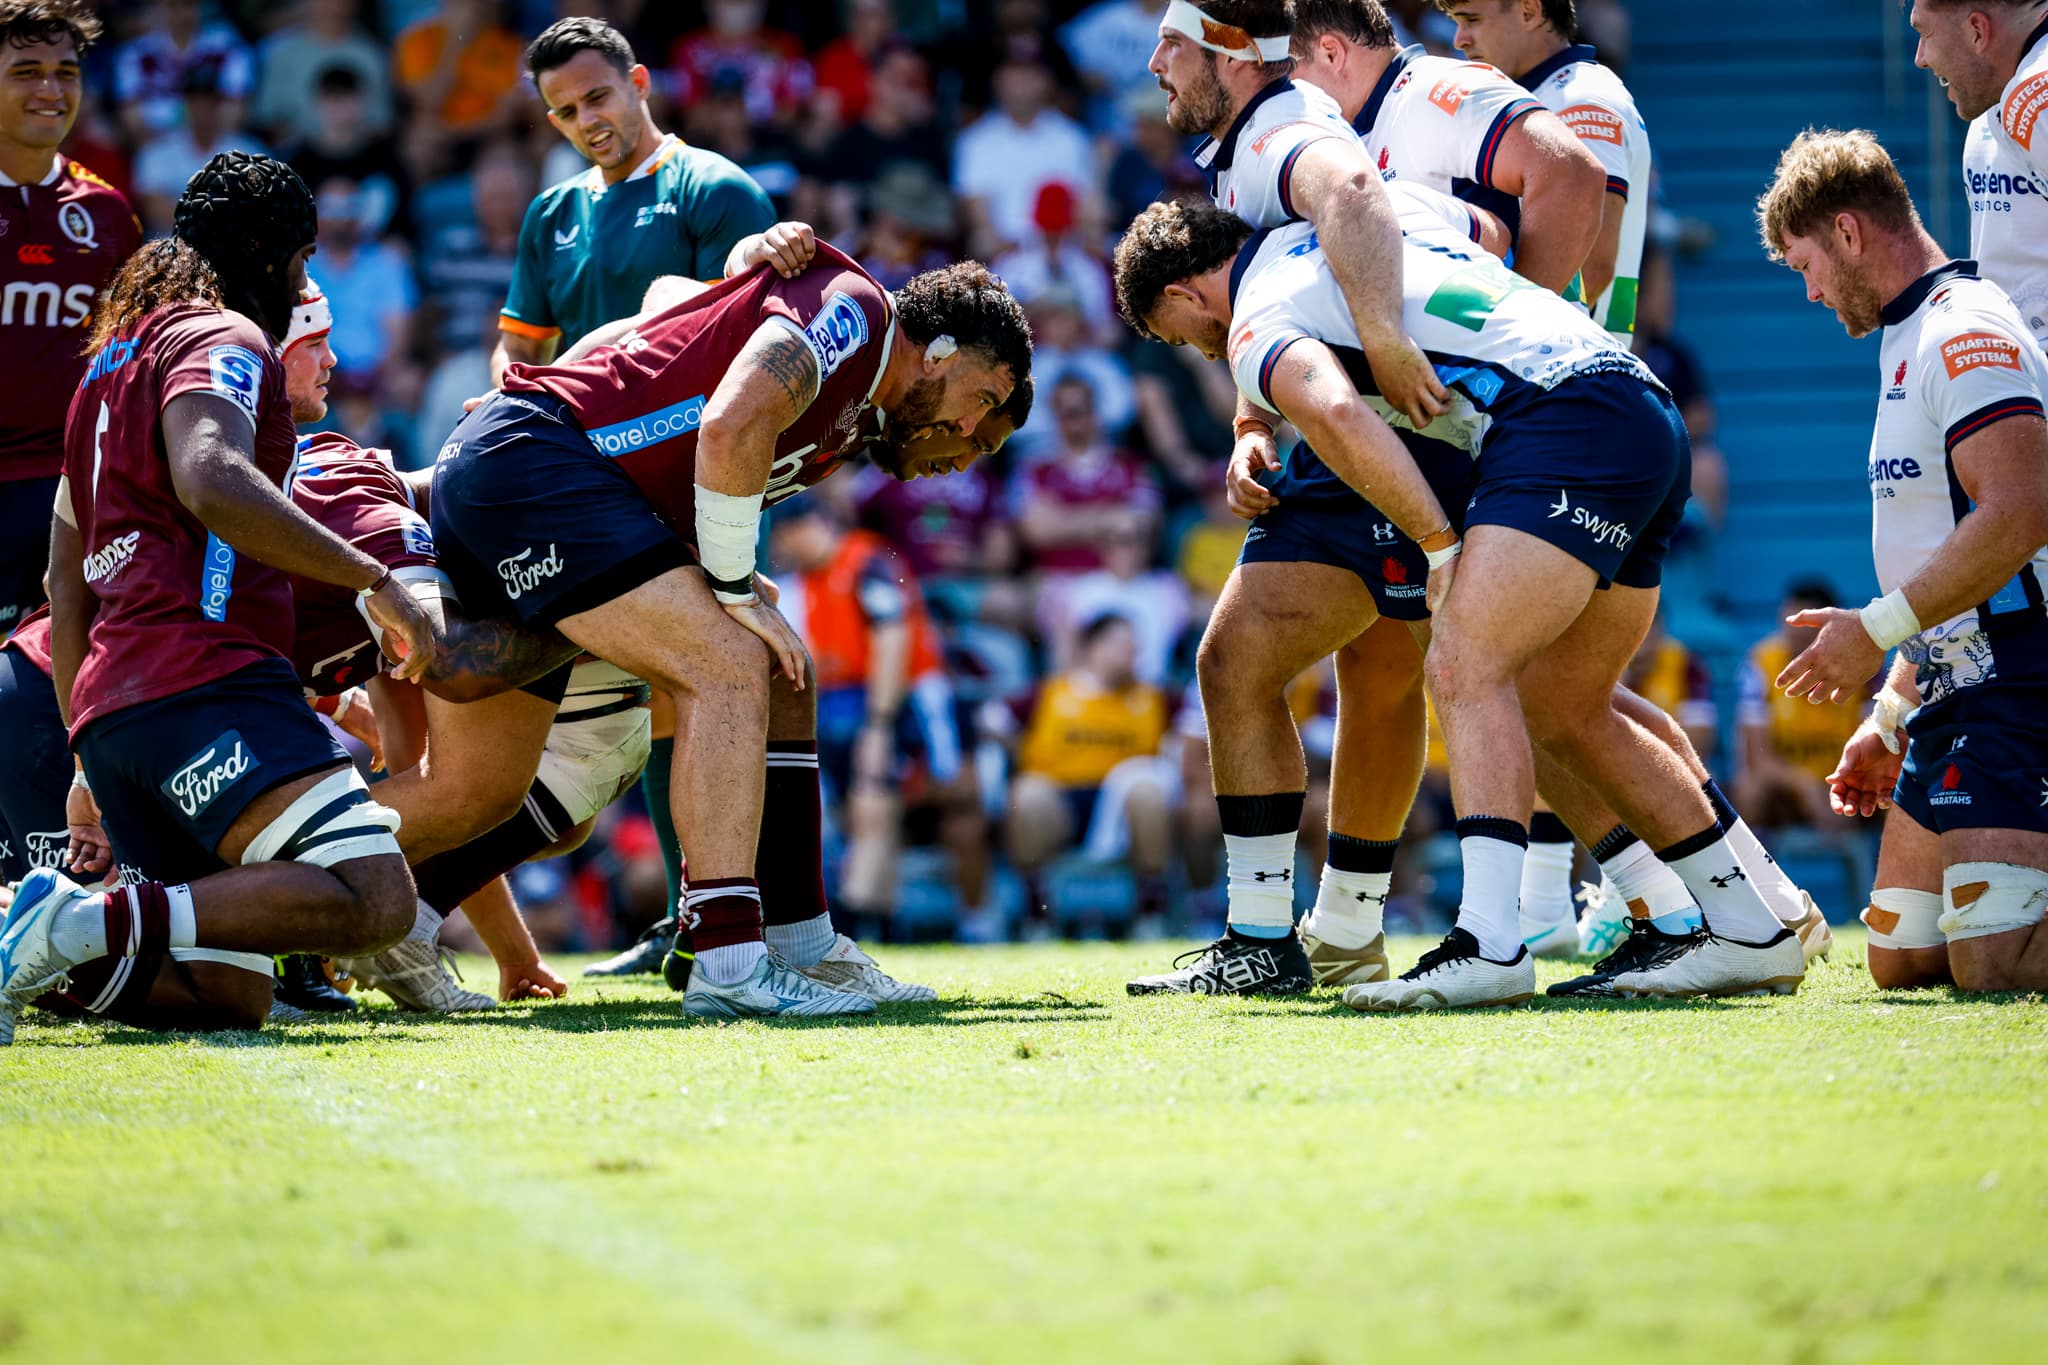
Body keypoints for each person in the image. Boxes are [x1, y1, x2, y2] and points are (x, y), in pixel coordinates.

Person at [1115, 195, 1808, 1008]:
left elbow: (1336, 411)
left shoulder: (1256, 312)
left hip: (1558, 424)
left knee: (1468, 667)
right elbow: (1492, 234)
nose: (1200, 352)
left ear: (1184, 298)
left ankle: (1491, 941)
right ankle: (1748, 923)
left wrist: (1439, 543)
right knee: (1566, 704)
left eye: (1181, 339)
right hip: (1633, 398)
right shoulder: (1376, 215)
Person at [391, 234, 1029, 1020]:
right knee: (731, 657)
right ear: (940, 349)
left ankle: (802, 942)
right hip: (541, 471)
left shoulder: (859, 408)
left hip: (550, 476)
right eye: (985, 404)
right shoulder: (859, 318)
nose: (969, 440)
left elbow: (665, 300)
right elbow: (729, 426)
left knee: (475, 790)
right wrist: (730, 583)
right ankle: (728, 957)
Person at [0, 152, 435, 1044]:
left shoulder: (103, 370)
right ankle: (71, 921)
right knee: (377, 894)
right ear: (271, 254)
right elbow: (211, 475)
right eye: (302, 261)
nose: (304, 282)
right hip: (205, 682)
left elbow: (62, 578)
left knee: (222, 997)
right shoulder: (222, 336)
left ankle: (23, 929)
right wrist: (374, 577)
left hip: (119, 714)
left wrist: (87, 746)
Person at [497, 17, 776, 977]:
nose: (586, 121)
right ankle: (697, 913)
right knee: (653, 700)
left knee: (694, 688)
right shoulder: (551, 214)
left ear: (641, 81)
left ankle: (716, 915)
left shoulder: (713, 188)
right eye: (564, 111)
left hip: (684, 479)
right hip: (574, 487)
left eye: (598, 98)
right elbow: (522, 348)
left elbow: (758, 341)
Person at [1763, 128, 2048, 995]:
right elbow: (1938, 557)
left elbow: (2025, 509)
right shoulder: (1905, 333)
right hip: (1956, 684)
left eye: (1806, 264)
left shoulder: (1964, 329)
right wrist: (1887, 715)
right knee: (1899, 958)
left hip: (2023, 675)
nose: (1809, 292)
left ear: (1849, 233)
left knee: (1993, 964)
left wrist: (1873, 630)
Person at [772, 496, 984, 958]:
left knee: (877, 806)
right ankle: (879, 930)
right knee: (863, 815)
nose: (781, 549)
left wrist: (880, 725)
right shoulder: (809, 580)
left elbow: (894, 639)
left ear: (806, 526)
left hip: (901, 702)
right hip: (841, 705)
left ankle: (846, 928)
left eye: (784, 538)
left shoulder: (867, 559)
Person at [1290, 0, 1607, 296]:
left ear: (1331, 53)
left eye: (1288, 75)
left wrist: (1519, 325)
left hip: (1528, 352)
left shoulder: (1431, 91)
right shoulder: (1369, 124)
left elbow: (1572, 173)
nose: (1286, 95)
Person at [0, 1, 140, 641]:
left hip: (71, 493)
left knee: (63, 700)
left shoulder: (107, 214)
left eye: (66, 71)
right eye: (26, 71)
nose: (51, 91)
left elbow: (130, 357)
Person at [1434, 0, 1651, 344]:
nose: (1459, 39)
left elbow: (1590, 271)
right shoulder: (1548, 95)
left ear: (1529, 11)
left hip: (1565, 373)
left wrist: (1479, 344)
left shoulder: (1578, 100)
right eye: (1456, 21)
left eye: (1472, 20)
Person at [1012, 612, 1179, 940]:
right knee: (1027, 794)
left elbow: (1195, 728)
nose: (1131, 651)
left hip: (1125, 804)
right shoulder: (1050, 693)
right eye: (1121, 643)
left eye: (1134, 644)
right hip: (1063, 800)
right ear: (1092, 646)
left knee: (1148, 792)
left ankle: (1150, 916)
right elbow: (992, 722)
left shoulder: (1155, 698)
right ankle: (1037, 916)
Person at [1909, 0, 2048, 346]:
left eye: (1925, 33)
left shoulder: (2034, 98)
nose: (1920, 57)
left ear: (1976, 31)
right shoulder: (1995, 106)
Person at [1734, 581, 1872, 832]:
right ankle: (1752, 869)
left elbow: (1876, 747)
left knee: (1899, 789)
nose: (1796, 644)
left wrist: (1843, 784)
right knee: (1749, 791)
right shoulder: (1760, 665)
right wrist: (1804, 785)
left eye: (1805, 636)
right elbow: (1757, 761)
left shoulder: (1863, 665)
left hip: (1846, 779)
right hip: (1787, 785)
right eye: (1790, 632)